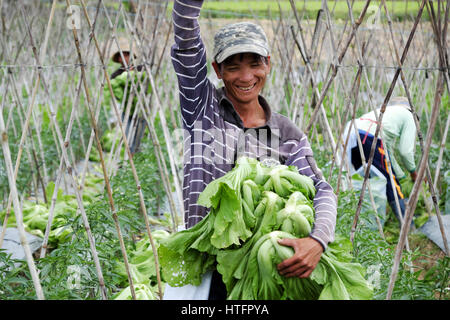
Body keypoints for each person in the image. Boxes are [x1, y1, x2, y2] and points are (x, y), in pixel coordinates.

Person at [171, 0, 337, 300]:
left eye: (255, 64)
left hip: (262, 270)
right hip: (206, 268)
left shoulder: (287, 133)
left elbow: (322, 188)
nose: (246, 77)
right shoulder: (203, 109)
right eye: (233, 67)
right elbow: (185, 43)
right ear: (217, 70)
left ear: (268, 64)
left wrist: (318, 240)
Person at [345, 96, 418, 225]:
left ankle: (363, 222)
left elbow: (387, 152)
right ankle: (409, 226)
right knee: (391, 183)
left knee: (362, 180)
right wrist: (413, 173)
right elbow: (405, 152)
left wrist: (399, 174)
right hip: (368, 137)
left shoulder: (386, 114)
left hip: (351, 133)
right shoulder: (408, 116)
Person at [104, 38, 149, 155]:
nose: (124, 58)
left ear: (131, 56)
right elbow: (114, 92)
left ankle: (138, 156)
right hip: (126, 110)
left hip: (140, 109)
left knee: (140, 135)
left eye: (126, 55)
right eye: (121, 56)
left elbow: (147, 88)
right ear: (118, 59)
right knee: (129, 134)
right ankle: (130, 157)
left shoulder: (141, 70)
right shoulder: (116, 75)